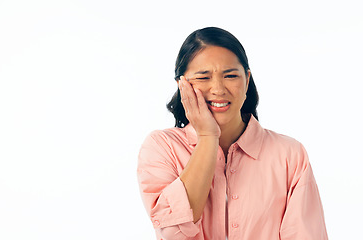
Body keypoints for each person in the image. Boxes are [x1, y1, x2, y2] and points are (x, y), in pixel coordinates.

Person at [137, 27, 328, 240]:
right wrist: (208, 137)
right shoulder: (161, 147)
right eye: (203, 77)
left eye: (230, 75)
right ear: (182, 84)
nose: (218, 89)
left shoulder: (289, 154)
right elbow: (173, 233)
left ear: (247, 79)